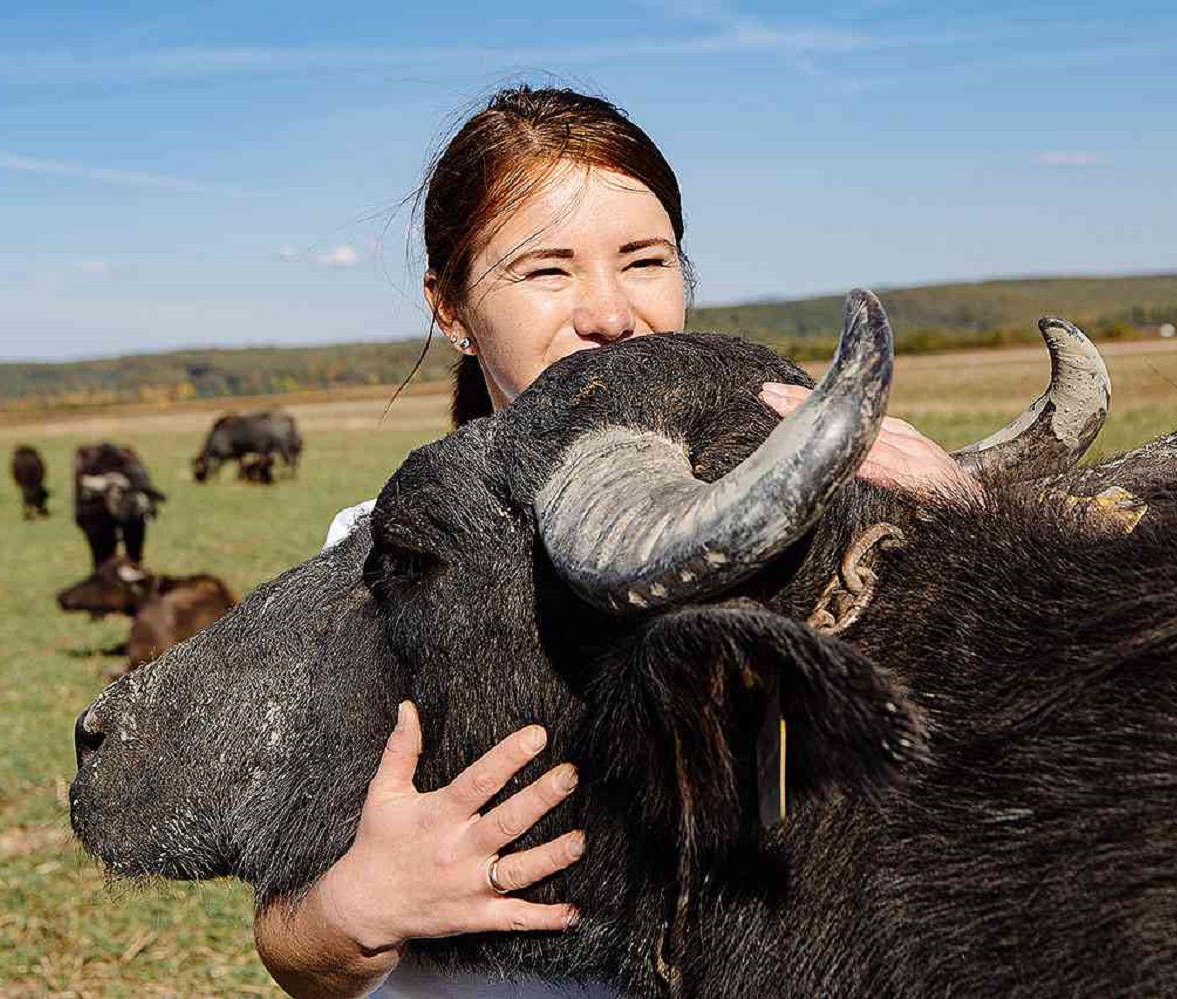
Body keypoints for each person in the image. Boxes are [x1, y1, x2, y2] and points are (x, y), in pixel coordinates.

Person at [255, 85, 973, 999]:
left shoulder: (815, 542)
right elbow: (293, 949)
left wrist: (957, 535)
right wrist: (358, 908)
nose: (610, 313)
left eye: (644, 259)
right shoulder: (380, 562)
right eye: (545, 270)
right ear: (451, 310)